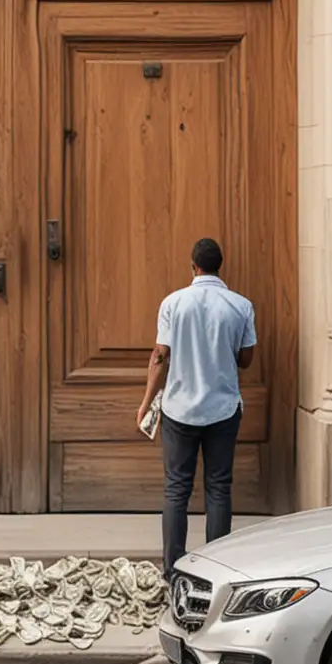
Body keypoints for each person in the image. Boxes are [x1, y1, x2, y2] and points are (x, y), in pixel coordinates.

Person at [136, 237, 256, 579]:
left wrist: (146, 403)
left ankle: (173, 571)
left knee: (177, 488)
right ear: (220, 266)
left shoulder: (173, 303)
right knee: (219, 488)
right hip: (222, 409)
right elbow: (246, 359)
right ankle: (216, 571)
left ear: (193, 266)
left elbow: (160, 355)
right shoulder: (240, 306)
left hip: (179, 411)